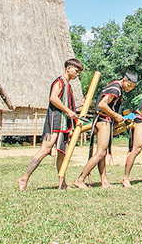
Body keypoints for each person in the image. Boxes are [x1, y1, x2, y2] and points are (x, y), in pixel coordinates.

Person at [17, 58, 83, 191]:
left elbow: (66, 104)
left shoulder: (68, 85)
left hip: (64, 124)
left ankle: (62, 183)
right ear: (68, 68)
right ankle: (24, 178)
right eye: (76, 71)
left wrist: (78, 106)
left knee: (62, 153)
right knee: (45, 150)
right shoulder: (60, 82)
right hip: (55, 122)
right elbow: (53, 98)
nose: (77, 75)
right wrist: (69, 111)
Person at [72, 72, 139, 189]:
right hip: (103, 121)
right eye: (129, 85)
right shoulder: (116, 89)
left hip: (104, 121)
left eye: (132, 87)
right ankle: (80, 179)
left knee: (102, 153)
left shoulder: (114, 86)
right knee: (101, 152)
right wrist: (115, 115)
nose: (130, 88)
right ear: (124, 80)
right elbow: (102, 105)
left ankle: (104, 181)